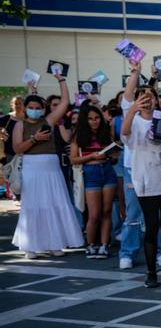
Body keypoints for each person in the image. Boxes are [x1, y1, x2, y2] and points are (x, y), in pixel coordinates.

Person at [121, 61, 161, 287]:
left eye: (150, 96)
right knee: (151, 225)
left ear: (157, 99)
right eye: (142, 96)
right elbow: (124, 134)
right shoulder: (134, 120)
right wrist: (133, 109)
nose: (147, 99)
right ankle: (150, 272)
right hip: (144, 181)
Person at [12, 75, 83, 257]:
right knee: (33, 205)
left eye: (37, 108)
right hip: (32, 168)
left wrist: (61, 80)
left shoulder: (49, 121)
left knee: (54, 203)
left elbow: (65, 101)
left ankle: (55, 243)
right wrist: (35, 139)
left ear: (43, 109)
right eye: (31, 108)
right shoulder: (20, 125)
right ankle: (31, 245)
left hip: (51, 167)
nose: (34, 111)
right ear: (26, 109)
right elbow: (17, 148)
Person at [70, 104, 117, 259]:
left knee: (107, 211)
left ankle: (104, 245)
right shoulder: (79, 135)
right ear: (85, 120)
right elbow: (73, 159)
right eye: (90, 119)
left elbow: (113, 153)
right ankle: (90, 245)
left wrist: (112, 155)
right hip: (90, 172)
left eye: (96, 118)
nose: (94, 121)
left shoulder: (105, 132)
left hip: (108, 170)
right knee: (94, 214)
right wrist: (91, 157)